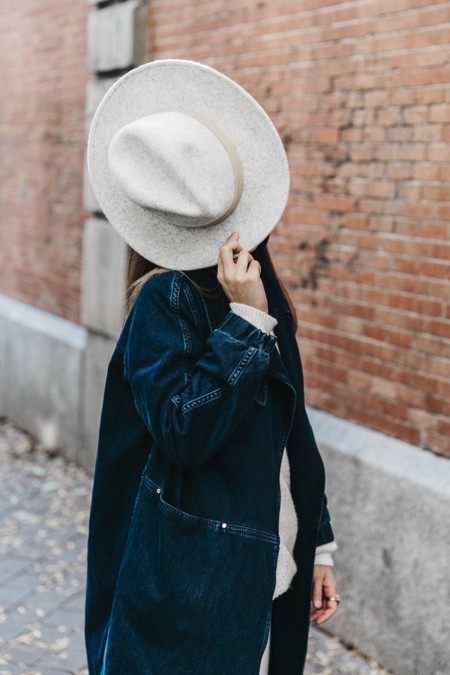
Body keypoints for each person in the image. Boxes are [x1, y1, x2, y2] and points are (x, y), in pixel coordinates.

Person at [85, 59, 340, 675]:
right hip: (189, 582)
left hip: (262, 559)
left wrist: (319, 541)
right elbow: (183, 430)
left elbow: (290, 422)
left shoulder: (256, 286)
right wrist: (245, 325)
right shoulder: (163, 300)